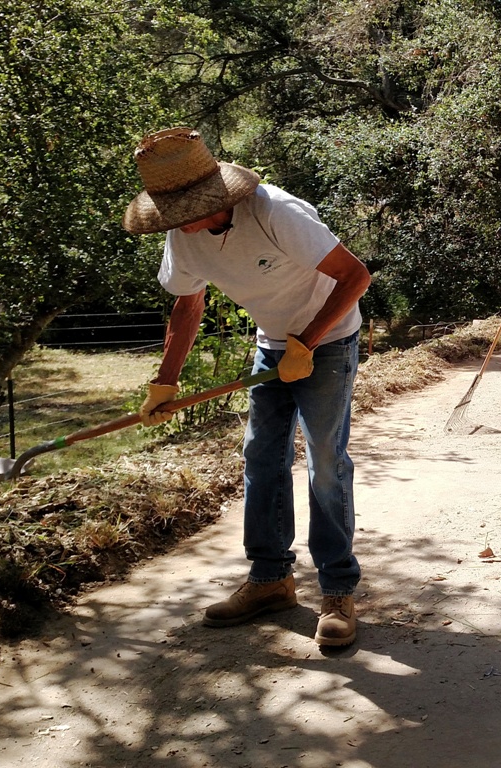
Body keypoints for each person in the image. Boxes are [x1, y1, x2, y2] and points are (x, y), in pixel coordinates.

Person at [122, 127, 371, 647]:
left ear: (219, 198)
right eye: (172, 217)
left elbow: (355, 277)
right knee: (260, 457)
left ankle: (338, 589)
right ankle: (270, 579)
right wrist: (165, 382)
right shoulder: (181, 234)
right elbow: (188, 305)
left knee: (325, 461)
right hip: (271, 344)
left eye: (188, 213)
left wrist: (306, 341)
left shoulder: (276, 213)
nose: (181, 227)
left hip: (327, 341)